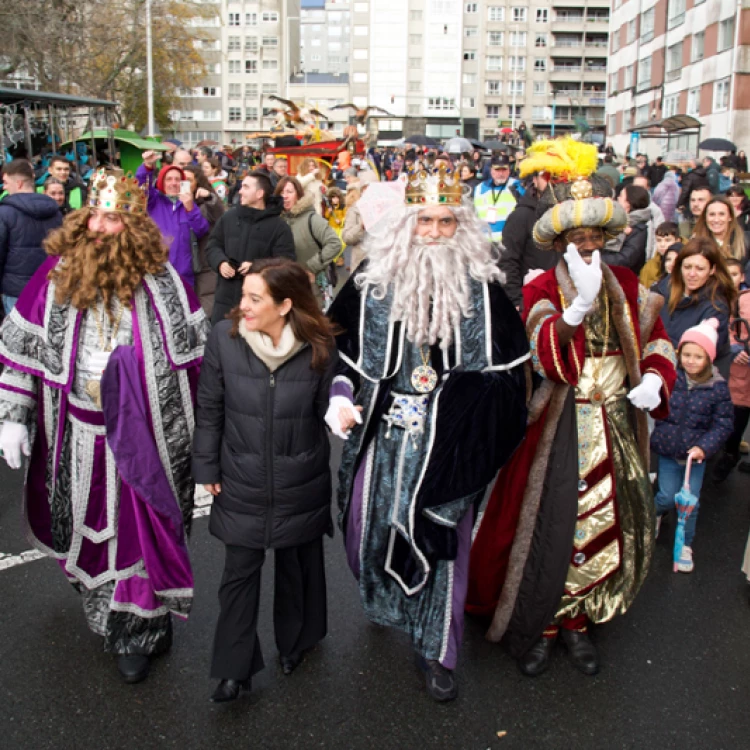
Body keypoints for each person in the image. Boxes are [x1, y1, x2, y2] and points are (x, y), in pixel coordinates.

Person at [467, 136, 677, 678]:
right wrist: (577, 308)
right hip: (559, 422)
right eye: (577, 239)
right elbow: (542, 355)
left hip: (614, 425)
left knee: (601, 520)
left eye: (595, 240)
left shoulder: (626, 281)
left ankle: (581, 621)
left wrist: (654, 378)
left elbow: (657, 340)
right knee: (551, 522)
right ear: (560, 240)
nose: (587, 248)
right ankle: (545, 621)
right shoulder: (542, 285)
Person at [326, 166, 529, 702]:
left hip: (451, 446)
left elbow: (508, 380)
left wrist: (460, 417)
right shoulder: (374, 279)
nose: (435, 233)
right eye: (425, 221)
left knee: (441, 547)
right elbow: (339, 352)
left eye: (445, 222)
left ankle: (437, 651)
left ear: (461, 227)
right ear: (406, 224)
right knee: (364, 531)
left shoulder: (484, 291)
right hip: (383, 434)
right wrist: (341, 395)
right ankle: (387, 601)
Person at [0, 167, 207, 684]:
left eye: (112, 218)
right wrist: (13, 417)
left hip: (146, 439)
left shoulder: (166, 284)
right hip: (76, 435)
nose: (99, 226)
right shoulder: (55, 277)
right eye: (94, 214)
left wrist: (210, 442)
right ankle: (105, 612)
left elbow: (200, 369)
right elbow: (22, 357)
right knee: (89, 533)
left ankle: (139, 630)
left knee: (140, 536)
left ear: (134, 225)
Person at [193, 258, 338, 703]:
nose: (244, 306)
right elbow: (211, 406)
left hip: (301, 475)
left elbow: (330, 406)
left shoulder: (319, 345)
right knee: (239, 573)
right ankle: (234, 669)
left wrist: (343, 413)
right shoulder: (225, 337)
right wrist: (206, 467)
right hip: (240, 474)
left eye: (256, 298)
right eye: (244, 296)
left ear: (286, 304)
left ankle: (296, 643)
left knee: (298, 565)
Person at [651, 319, 733, 572]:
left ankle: (685, 543)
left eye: (698, 356)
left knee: (690, 503)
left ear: (709, 358)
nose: (691, 361)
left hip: (693, 457)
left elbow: (723, 423)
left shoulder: (717, 388)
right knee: (666, 496)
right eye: (686, 354)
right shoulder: (672, 378)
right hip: (668, 451)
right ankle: (653, 514)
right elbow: (658, 407)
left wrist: (704, 448)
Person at [206, 171, 295, 325]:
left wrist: (257, 267)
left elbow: (286, 262)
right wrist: (220, 262)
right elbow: (213, 245)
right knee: (222, 344)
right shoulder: (229, 218)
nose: (240, 191)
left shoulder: (279, 227)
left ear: (260, 193)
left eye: (246, 187)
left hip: (259, 304)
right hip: (225, 302)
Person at [653, 238, 736, 376]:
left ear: (712, 270)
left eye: (700, 269)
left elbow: (697, 356)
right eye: (687, 267)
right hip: (659, 373)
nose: (692, 274)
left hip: (698, 385)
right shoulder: (660, 291)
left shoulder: (716, 307)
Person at [136, 150, 211, 289]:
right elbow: (141, 186)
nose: (173, 183)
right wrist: (147, 166)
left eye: (178, 180)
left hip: (184, 275)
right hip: (157, 272)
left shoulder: (188, 203)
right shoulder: (154, 201)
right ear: (161, 182)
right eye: (168, 179)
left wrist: (190, 208)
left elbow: (201, 230)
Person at [0, 159, 62, 314]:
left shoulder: (4, 213)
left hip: (16, 291)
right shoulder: (55, 212)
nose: (4, 187)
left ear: (19, 183)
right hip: (49, 288)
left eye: (6, 182)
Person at [275, 176, 342, 309]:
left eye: (289, 192)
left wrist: (310, 267)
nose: (285, 196)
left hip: (310, 287)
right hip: (283, 285)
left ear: (299, 195)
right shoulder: (277, 220)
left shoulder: (311, 219)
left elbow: (334, 243)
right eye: (281, 193)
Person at [712, 260, 750, 481]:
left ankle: (730, 453)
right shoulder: (715, 300)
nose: (731, 278)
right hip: (724, 364)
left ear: (742, 276)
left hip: (741, 369)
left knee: (739, 411)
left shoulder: (745, 300)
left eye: (735, 274)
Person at [498, 167, 556, 309]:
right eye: (546, 176)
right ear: (535, 180)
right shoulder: (522, 215)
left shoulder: (567, 215)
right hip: (530, 301)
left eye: (557, 176)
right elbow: (508, 259)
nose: (552, 181)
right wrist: (516, 301)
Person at [183, 165, 225, 317]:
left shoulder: (205, 202)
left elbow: (220, 215)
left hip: (204, 263)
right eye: (182, 180)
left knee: (205, 308)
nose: (185, 184)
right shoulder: (175, 203)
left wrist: (209, 198)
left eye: (189, 180)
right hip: (185, 263)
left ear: (197, 183)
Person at [601, 184, 650, 273]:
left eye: (620, 196)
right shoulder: (615, 222)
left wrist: (595, 259)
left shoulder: (638, 229)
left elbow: (626, 259)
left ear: (628, 203)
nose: (617, 199)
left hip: (623, 278)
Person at [473, 155, 522, 243]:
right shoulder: (479, 188)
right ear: (491, 170)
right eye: (497, 170)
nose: (501, 173)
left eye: (504, 170)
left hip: (508, 242)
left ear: (509, 170)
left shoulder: (516, 186)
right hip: (484, 242)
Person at [693, 195, 750, 266]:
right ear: (705, 217)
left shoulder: (746, 239)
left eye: (721, 214)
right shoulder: (696, 242)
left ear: (730, 217)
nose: (716, 219)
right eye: (712, 214)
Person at [640, 221, 680, 288]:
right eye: (659, 240)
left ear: (677, 241)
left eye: (667, 240)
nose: (662, 244)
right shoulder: (649, 266)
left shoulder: (686, 261)